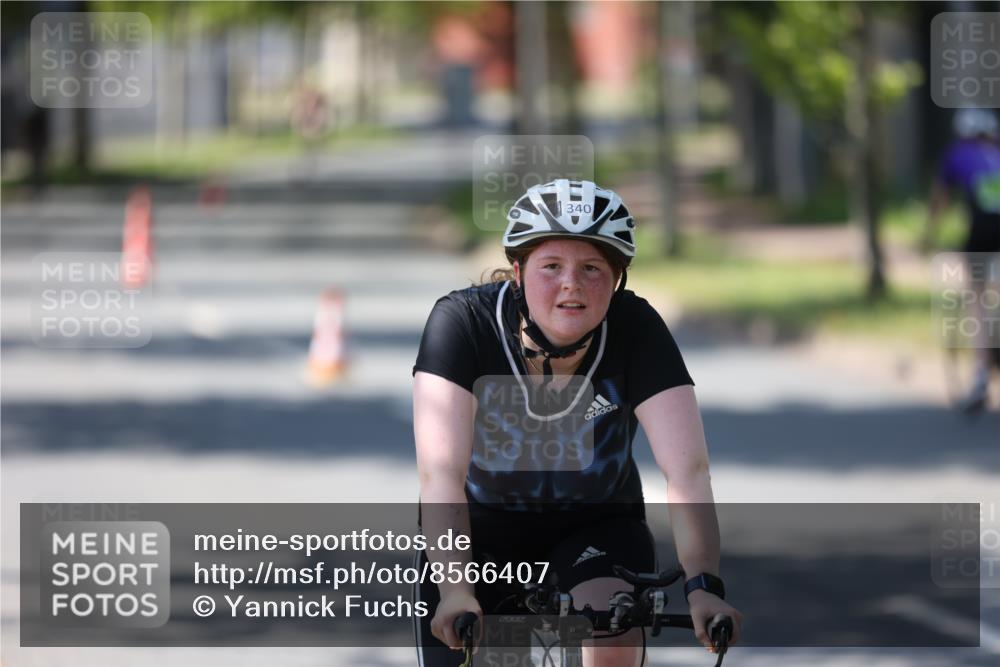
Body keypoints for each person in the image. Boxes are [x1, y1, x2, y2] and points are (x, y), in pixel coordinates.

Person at [412, 179, 743, 666]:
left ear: (617, 278)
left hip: (599, 529)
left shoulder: (637, 329)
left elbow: (688, 471)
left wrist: (703, 587)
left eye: (592, 268)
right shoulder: (462, 323)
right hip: (478, 535)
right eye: (552, 266)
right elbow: (440, 474)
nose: (572, 283)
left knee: (610, 631)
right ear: (518, 272)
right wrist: (456, 591)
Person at [926, 108, 1000, 414]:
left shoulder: (957, 154)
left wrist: (929, 233)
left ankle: (980, 374)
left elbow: (940, 198)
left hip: (981, 232)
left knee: (977, 299)